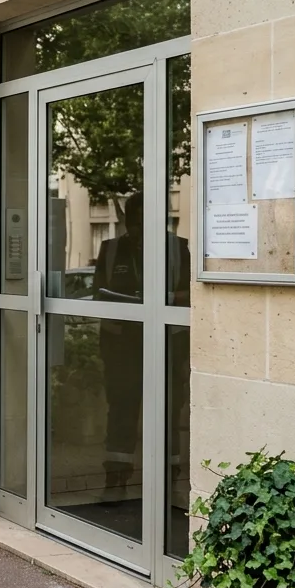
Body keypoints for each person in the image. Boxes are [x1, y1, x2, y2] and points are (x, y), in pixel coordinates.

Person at [86, 192, 191, 493]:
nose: (141, 230)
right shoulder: (110, 250)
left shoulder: (178, 248)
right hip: (121, 346)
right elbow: (98, 294)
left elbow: (194, 294)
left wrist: (167, 298)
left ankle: (168, 479)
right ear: (127, 221)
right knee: (121, 410)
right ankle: (116, 476)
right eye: (136, 222)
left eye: (148, 222)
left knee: (168, 409)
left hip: (168, 343)